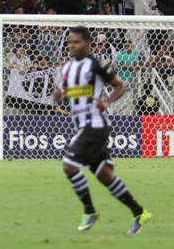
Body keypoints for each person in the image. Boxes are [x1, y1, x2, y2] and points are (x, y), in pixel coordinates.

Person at [52, 26, 151, 233]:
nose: (71, 45)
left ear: (88, 44)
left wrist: (106, 101)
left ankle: (89, 211)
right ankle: (139, 213)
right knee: (104, 176)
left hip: (95, 125)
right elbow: (74, 94)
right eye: (69, 41)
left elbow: (120, 85)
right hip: (82, 125)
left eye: (76, 41)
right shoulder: (67, 68)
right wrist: (61, 96)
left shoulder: (96, 64)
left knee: (69, 166)